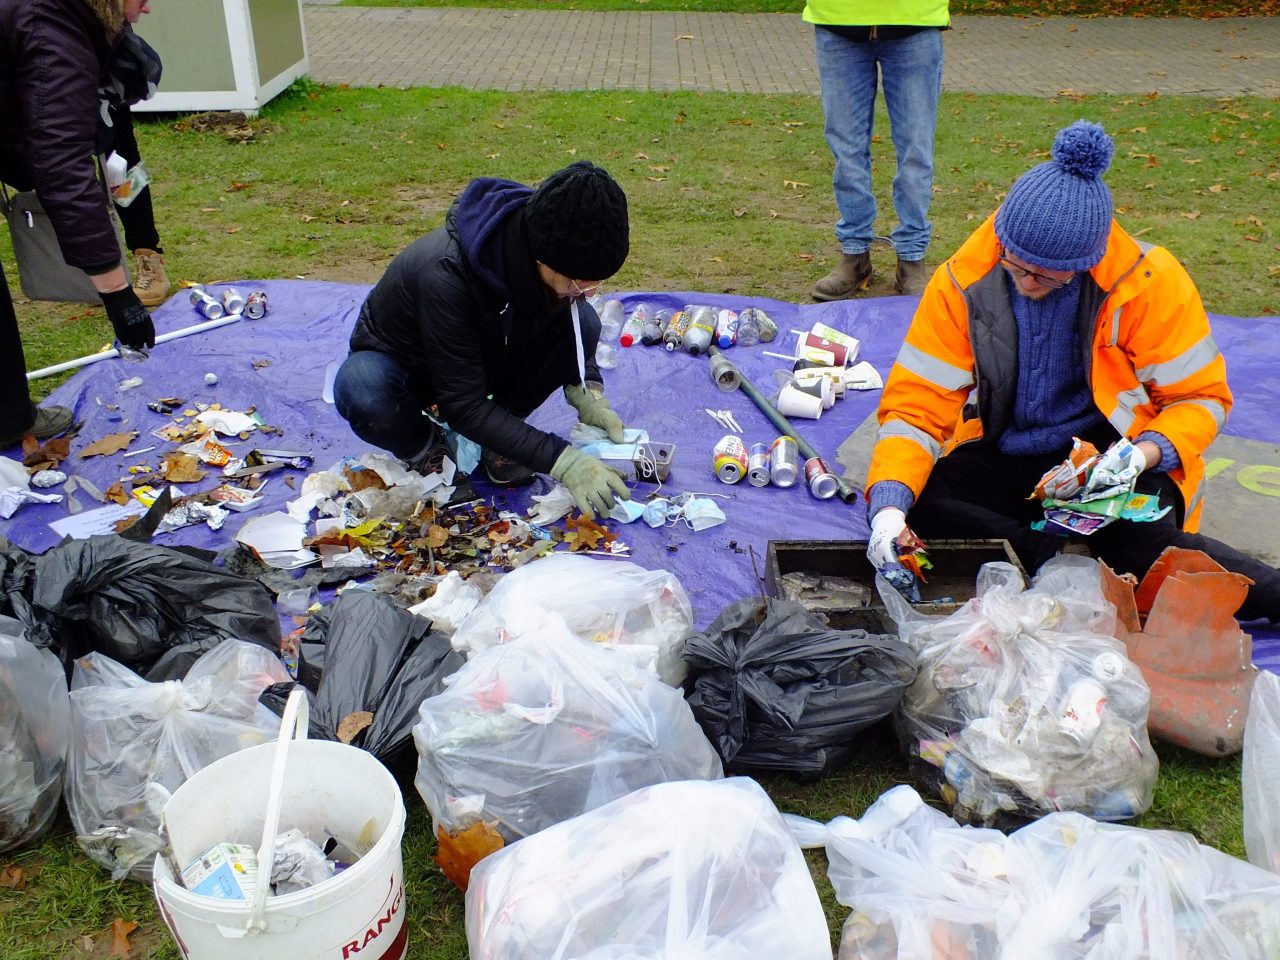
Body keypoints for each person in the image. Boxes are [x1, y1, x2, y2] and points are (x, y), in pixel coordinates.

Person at [864, 120, 1280, 622]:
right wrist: (888, 509)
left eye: (1044, 275)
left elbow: (1201, 400)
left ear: (1087, 261)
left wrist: (1139, 457)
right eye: (1014, 265)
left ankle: (1271, 595)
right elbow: (916, 407)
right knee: (913, 503)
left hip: (1117, 458)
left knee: (1146, 546)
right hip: (1013, 453)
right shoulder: (964, 280)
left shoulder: (1146, 282)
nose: (1024, 283)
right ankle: (1048, 552)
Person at [334, 160, 633, 520]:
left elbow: (569, 325)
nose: (586, 291)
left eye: (595, 282)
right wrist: (563, 460)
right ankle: (426, 448)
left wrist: (587, 390)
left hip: (479, 349)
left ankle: (500, 441)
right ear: (540, 257)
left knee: (584, 321)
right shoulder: (445, 273)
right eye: (577, 282)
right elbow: (462, 403)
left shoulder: (543, 252)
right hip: (410, 368)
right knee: (362, 387)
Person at [1, 0, 159, 450]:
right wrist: (117, 295)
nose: (149, 6)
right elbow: (63, 167)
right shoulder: (51, 24)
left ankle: (9, 418)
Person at [805, 0, 948, 301]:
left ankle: (912, 257)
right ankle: (855, 254)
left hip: (915, 19)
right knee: (847, 150)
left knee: (915, 152)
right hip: (837, 18)